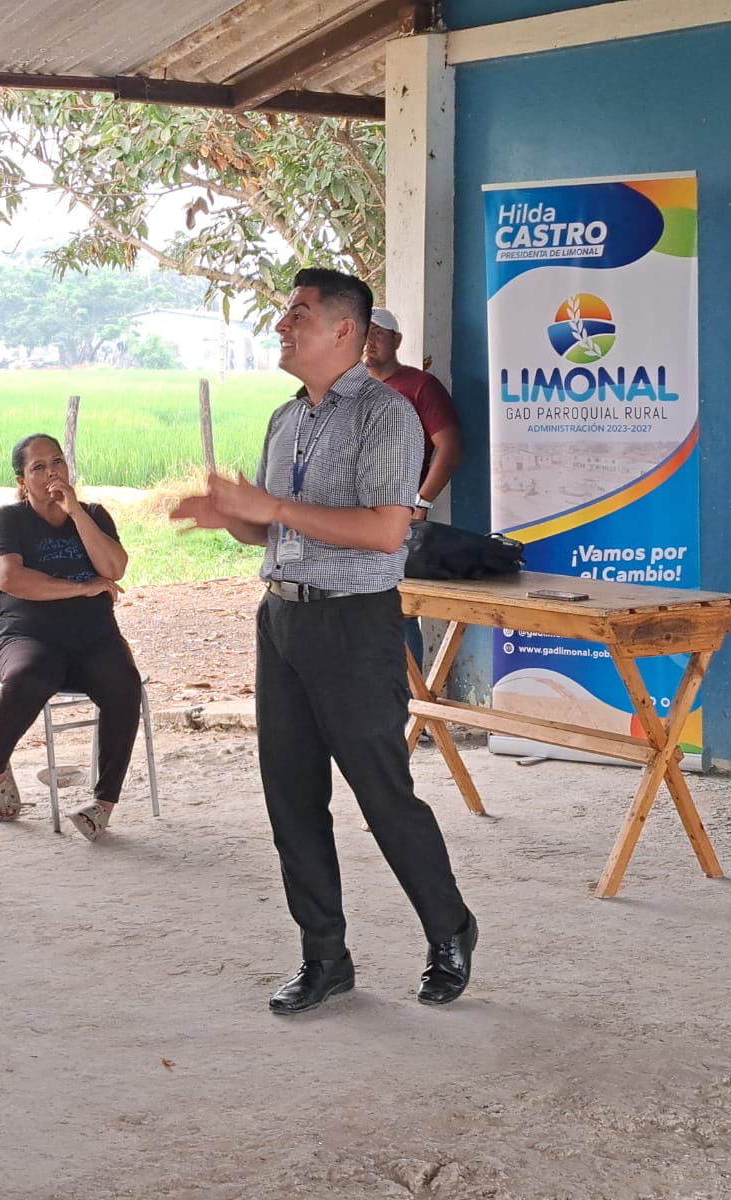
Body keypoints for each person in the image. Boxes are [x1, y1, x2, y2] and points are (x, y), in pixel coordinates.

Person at [171, 268, 477, 1013]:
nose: (282, 326)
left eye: (298, 314)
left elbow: (385, 531)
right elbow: (273, 531)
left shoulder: (387, 416)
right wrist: (234, 517)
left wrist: (272, 506)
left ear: (344, 330)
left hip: (353, 623)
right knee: (291, 796)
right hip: (281, 620)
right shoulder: (287, 420)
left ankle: (449, 927)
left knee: (381, 793)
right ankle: (325, 956)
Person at [0, 433, 141, 842]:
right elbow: (9, 578)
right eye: (38, 467)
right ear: (22, 480)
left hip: (93, 636)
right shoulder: (10, 520)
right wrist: (81, 587)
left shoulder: (94, 514)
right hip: (26, 633)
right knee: (33, 673)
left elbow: (114, 568)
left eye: (57, 462)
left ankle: (102, 805)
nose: (52, 473)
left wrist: (76, 514)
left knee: (124, 684)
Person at [364, 307, 464, 672]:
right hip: (353, 517)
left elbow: (450, 447)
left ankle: (408, 698)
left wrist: (421, 502)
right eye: (363, 332)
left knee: (401, 608)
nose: (369, 341)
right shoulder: (349, 388)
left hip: (398, 517)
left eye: (378, 333)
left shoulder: (420, 386)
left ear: (397, 340)